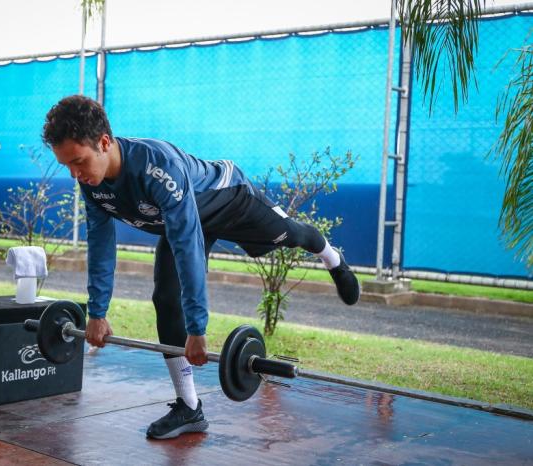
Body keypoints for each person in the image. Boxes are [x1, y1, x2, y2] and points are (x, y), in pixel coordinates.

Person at [42, 95, 360, 440]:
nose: (75, 174)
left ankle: (332, 257)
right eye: (67, 166)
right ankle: (189, 407)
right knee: (166, 298)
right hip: (181, 220)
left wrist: (197, 328)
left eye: (79, 161)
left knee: (292, 235)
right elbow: (101, 245)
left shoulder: (156, 167)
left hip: (230, 199)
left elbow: (186, 244)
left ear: (104, 143)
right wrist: (97, 312)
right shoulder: (92, 185)